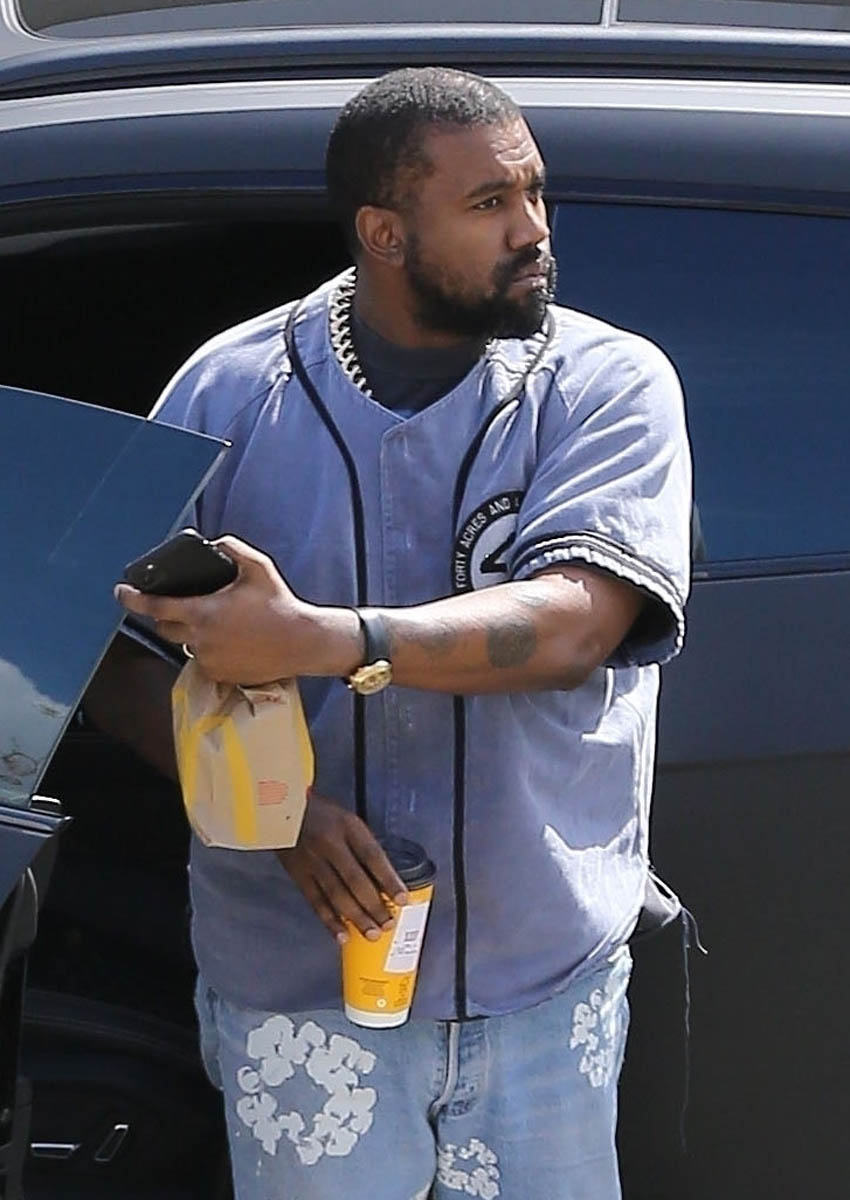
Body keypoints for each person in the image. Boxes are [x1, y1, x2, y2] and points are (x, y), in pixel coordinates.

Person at [90, 66, 691, 1200]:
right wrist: (277, 812)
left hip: (537, 981)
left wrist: (321, 638)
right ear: (384, 232)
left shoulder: (606, 384)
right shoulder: (229, 391)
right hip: (298, 988)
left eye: (535, 193)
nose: (532, 230)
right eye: (488, 204)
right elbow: (106, 659)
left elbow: (576, 623)